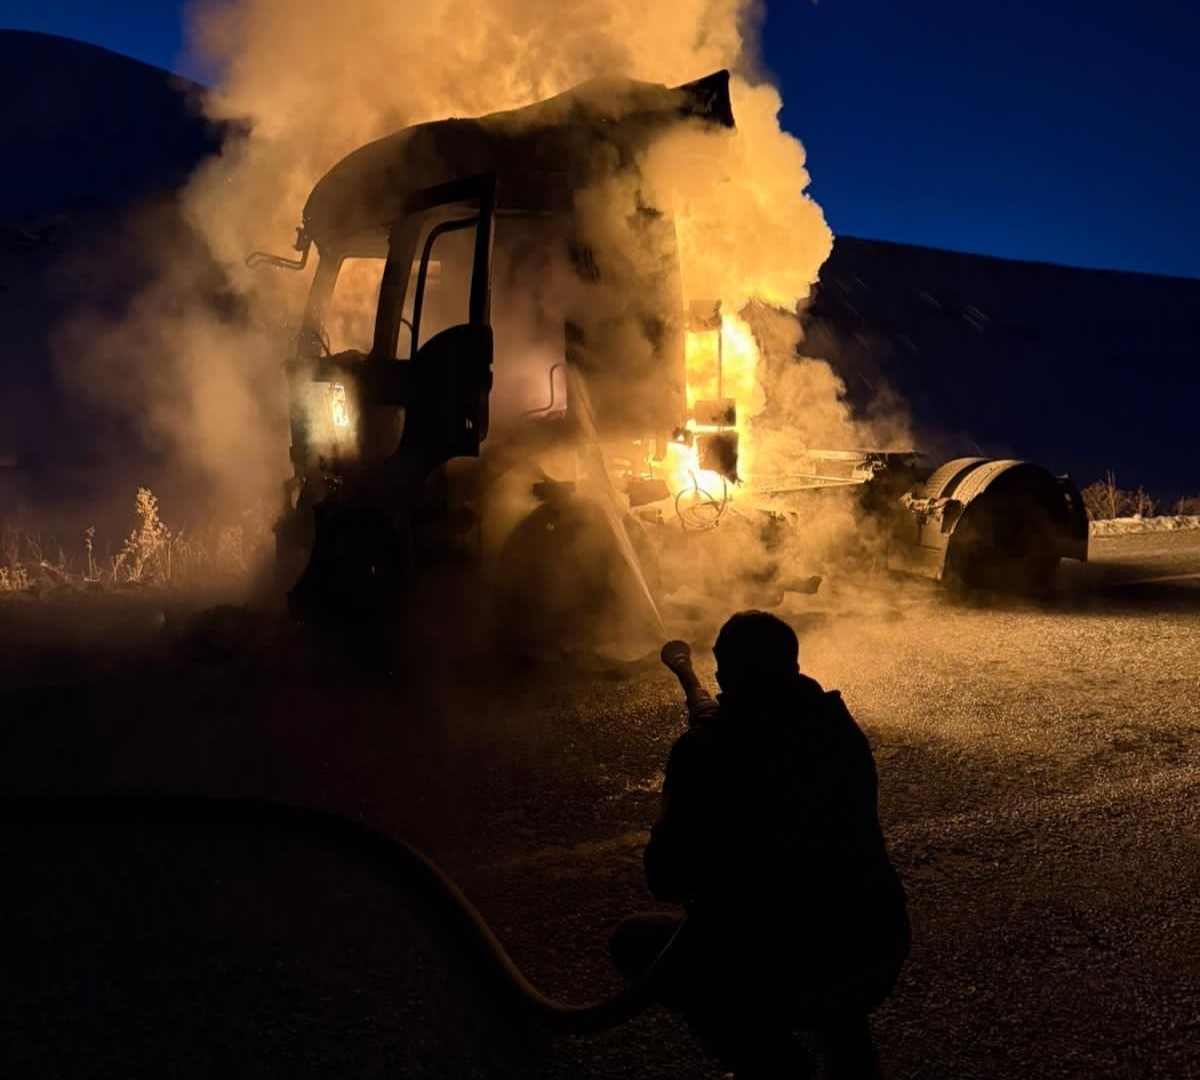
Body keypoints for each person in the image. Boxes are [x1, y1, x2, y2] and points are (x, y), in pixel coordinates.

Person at [611, 611, 910, 1079]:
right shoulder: (838, 729)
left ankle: (779, 1070)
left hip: (786, 962)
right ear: (793, 668)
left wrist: (689, 774)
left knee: (634, 943)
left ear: (723, 677)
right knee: (827, 909)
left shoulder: (703, 754)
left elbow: (664, 877)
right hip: (876, 945)